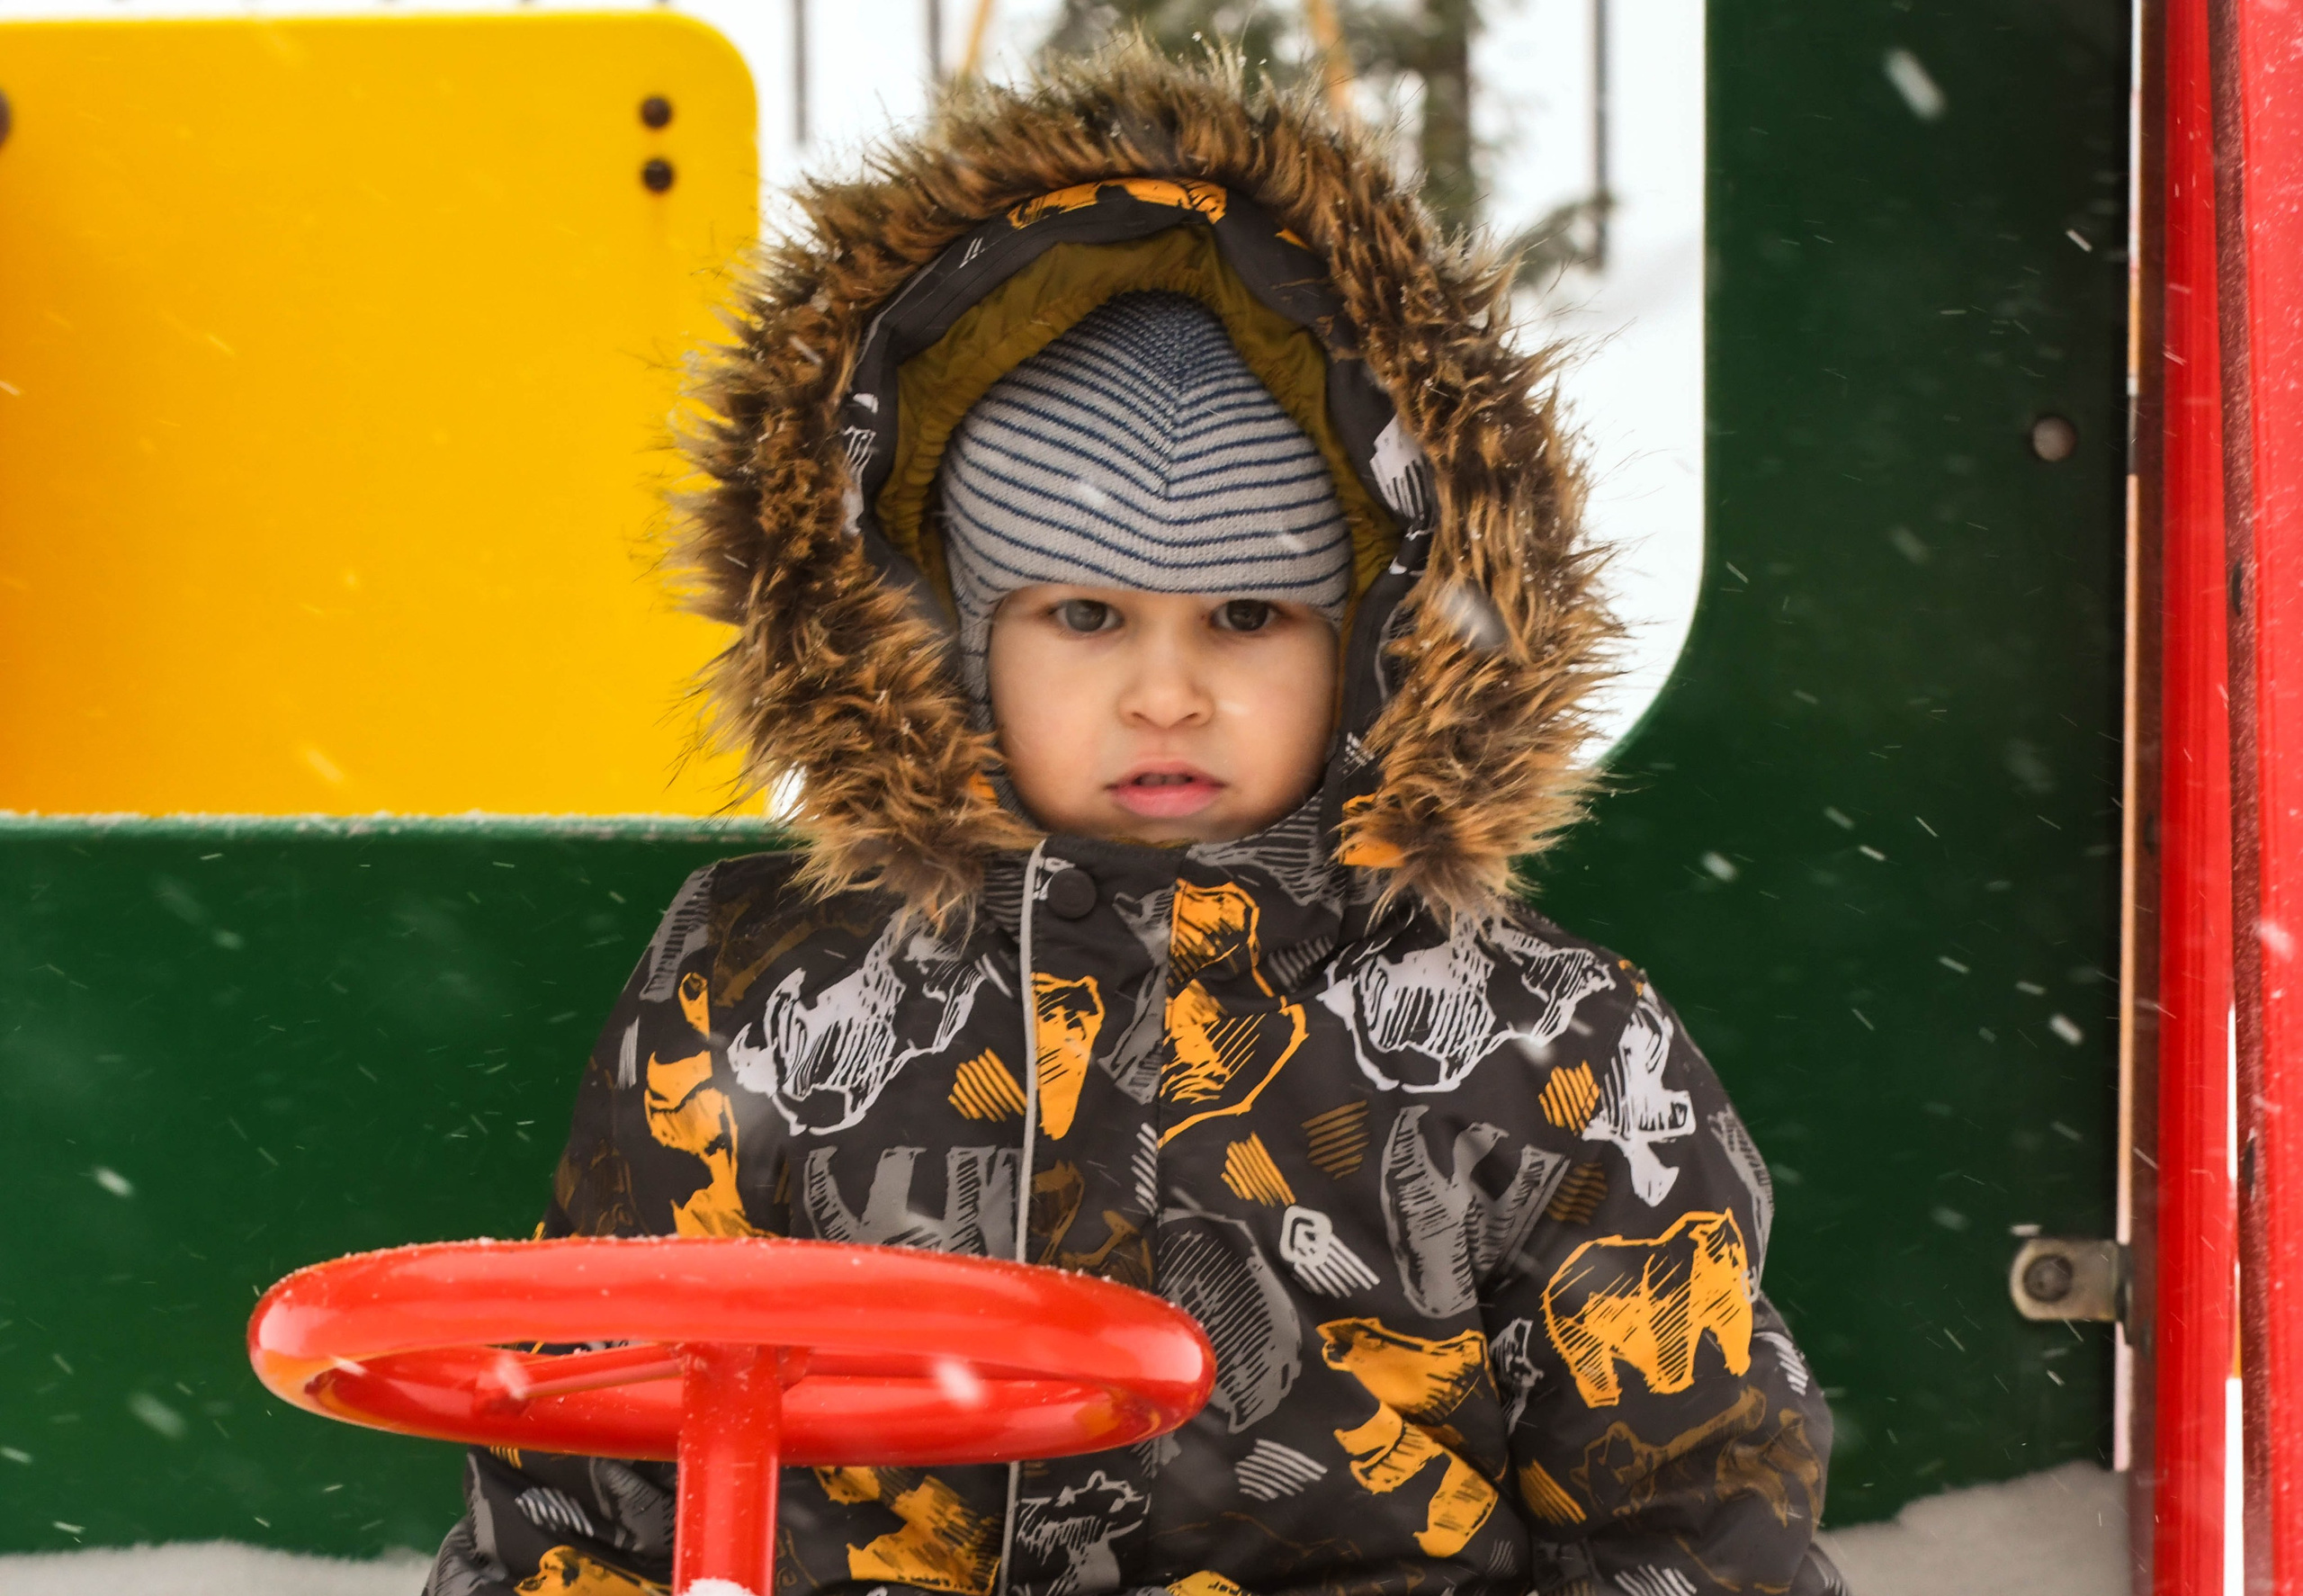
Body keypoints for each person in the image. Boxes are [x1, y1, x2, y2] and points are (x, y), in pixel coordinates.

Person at [423, 46, 1840, 1596]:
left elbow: (1696, 1529)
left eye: (1245, 614)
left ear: (1374, 639)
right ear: (951, 637)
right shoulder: (758, 998)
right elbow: (580, 1487)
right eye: (1086, 615)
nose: (1166, 692)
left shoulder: (1547, 1049)